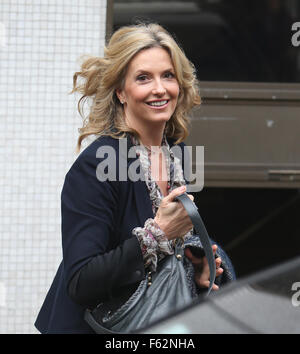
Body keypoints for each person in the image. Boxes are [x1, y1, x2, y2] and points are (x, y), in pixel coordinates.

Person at [34, 23, 235, 334]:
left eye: (167, 75)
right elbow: (81, 281)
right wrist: (157, 235)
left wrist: (199, 261)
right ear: (120, 92)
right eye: (143, 78)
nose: (159, 88)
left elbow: (170, 250)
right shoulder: (96, 165)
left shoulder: (178, 157)